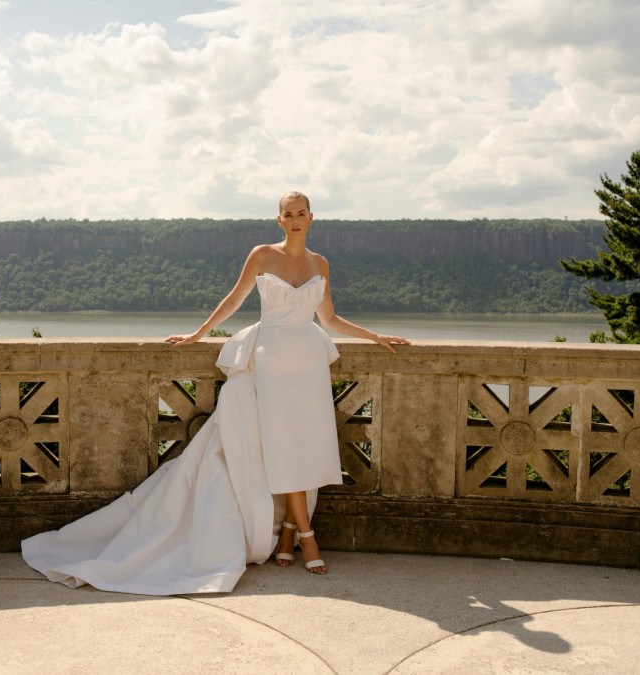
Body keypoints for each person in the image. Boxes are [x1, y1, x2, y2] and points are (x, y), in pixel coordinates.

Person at [22, 192, 409, 594]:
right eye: (287, 214)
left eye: (301, 214)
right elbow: (235, 298)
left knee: (303, 447)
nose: (294, 220)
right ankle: (306, 536)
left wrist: (376, 335)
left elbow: (328, 318)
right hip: (270, 361)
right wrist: (198, 334)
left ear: (311, 217)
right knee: (282, 446)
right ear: (279, 220)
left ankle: (289, 534)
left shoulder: (320, 263)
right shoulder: (262, 254)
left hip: (308, 364)